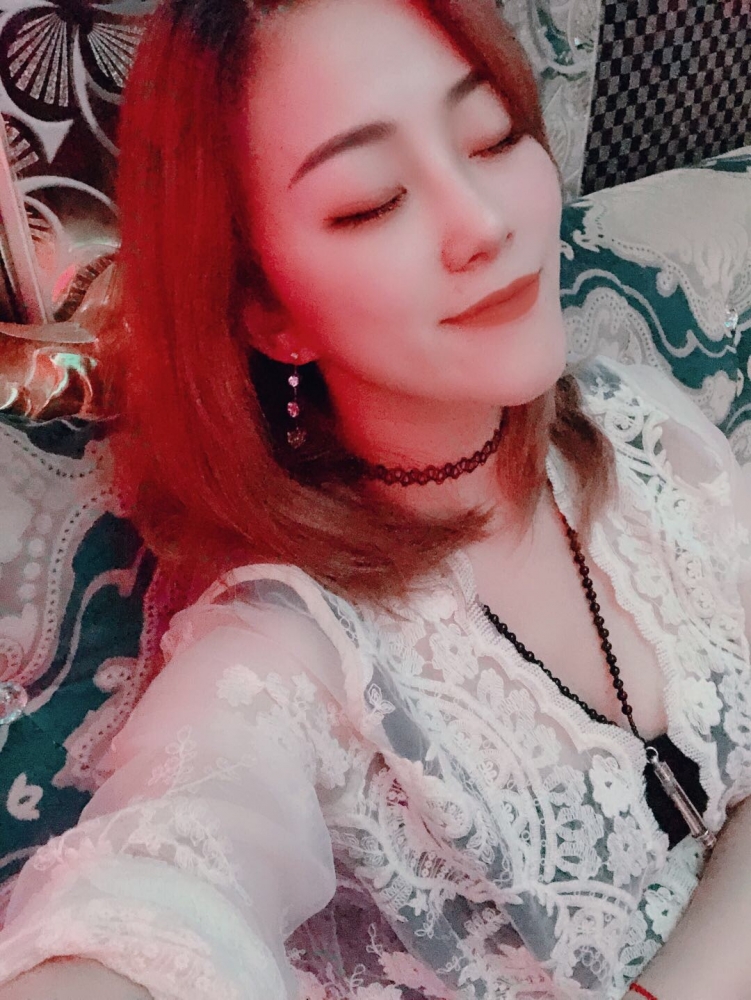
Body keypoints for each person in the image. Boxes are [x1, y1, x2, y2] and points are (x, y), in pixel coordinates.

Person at [0, 0, 750, 998]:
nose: (484, 222)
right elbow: (155, 893)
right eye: (371, 201)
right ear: (267, 309)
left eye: (491, 138)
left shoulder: (647, 429)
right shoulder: (288, 663)